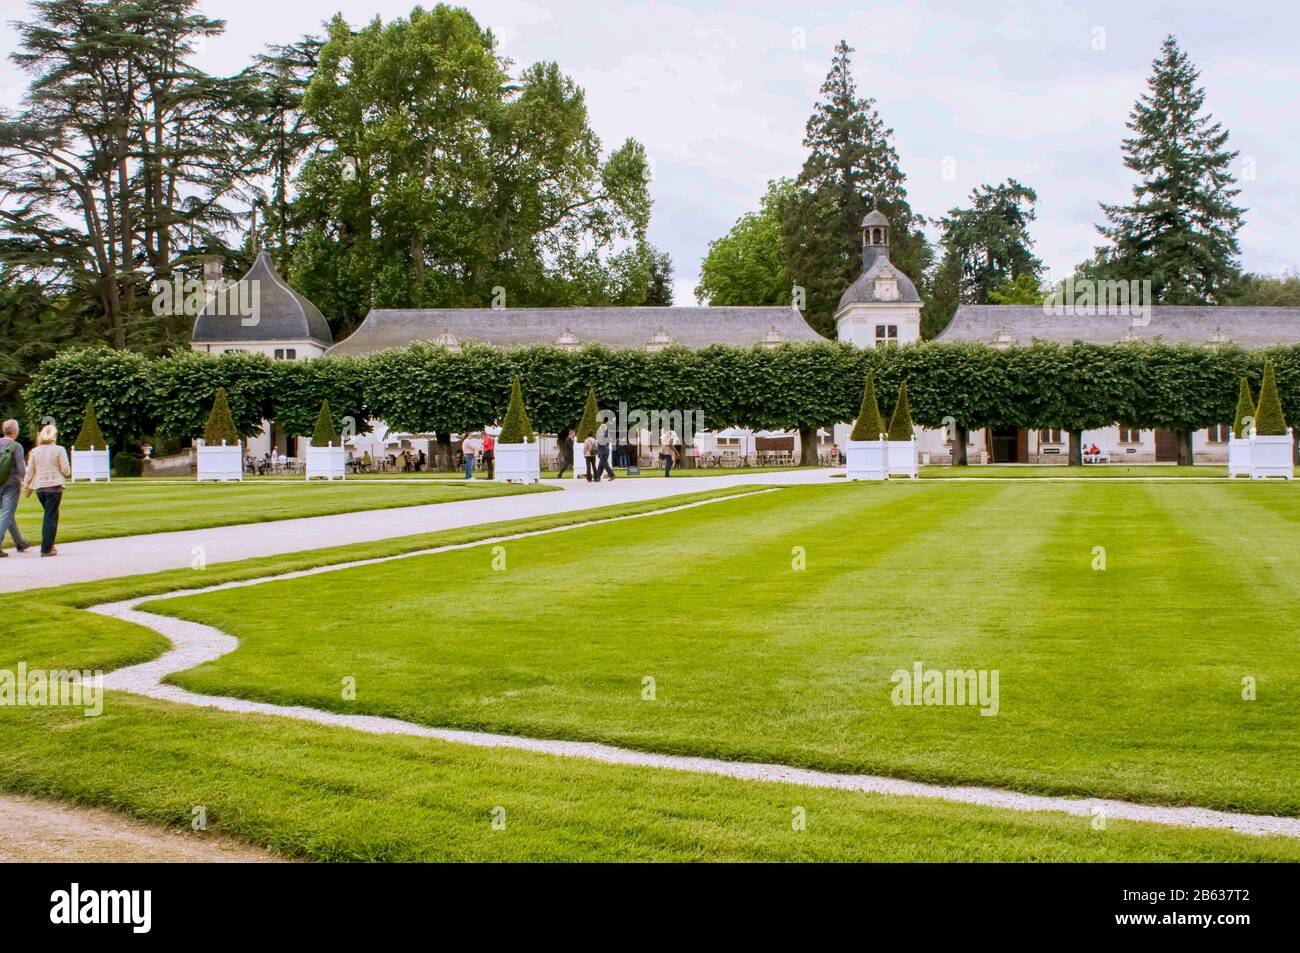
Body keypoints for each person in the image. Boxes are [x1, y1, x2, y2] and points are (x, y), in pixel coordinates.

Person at [22, 423, 70, 557]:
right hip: (54, 486)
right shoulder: (59, 449)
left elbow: (30, 472)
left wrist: (26, 487)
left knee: (50, 515)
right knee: (50, 517)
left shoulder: (35, 451)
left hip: (40, 488)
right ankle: (46, 549)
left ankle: (50, 545)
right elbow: (66, 471)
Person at [0, 419, 31, 557]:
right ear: (15, 431)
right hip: (11, 485)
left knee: (9, 514)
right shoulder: (16, 446)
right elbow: (21, 469)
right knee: (6, 514)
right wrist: (28, 483)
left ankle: (20, 542)